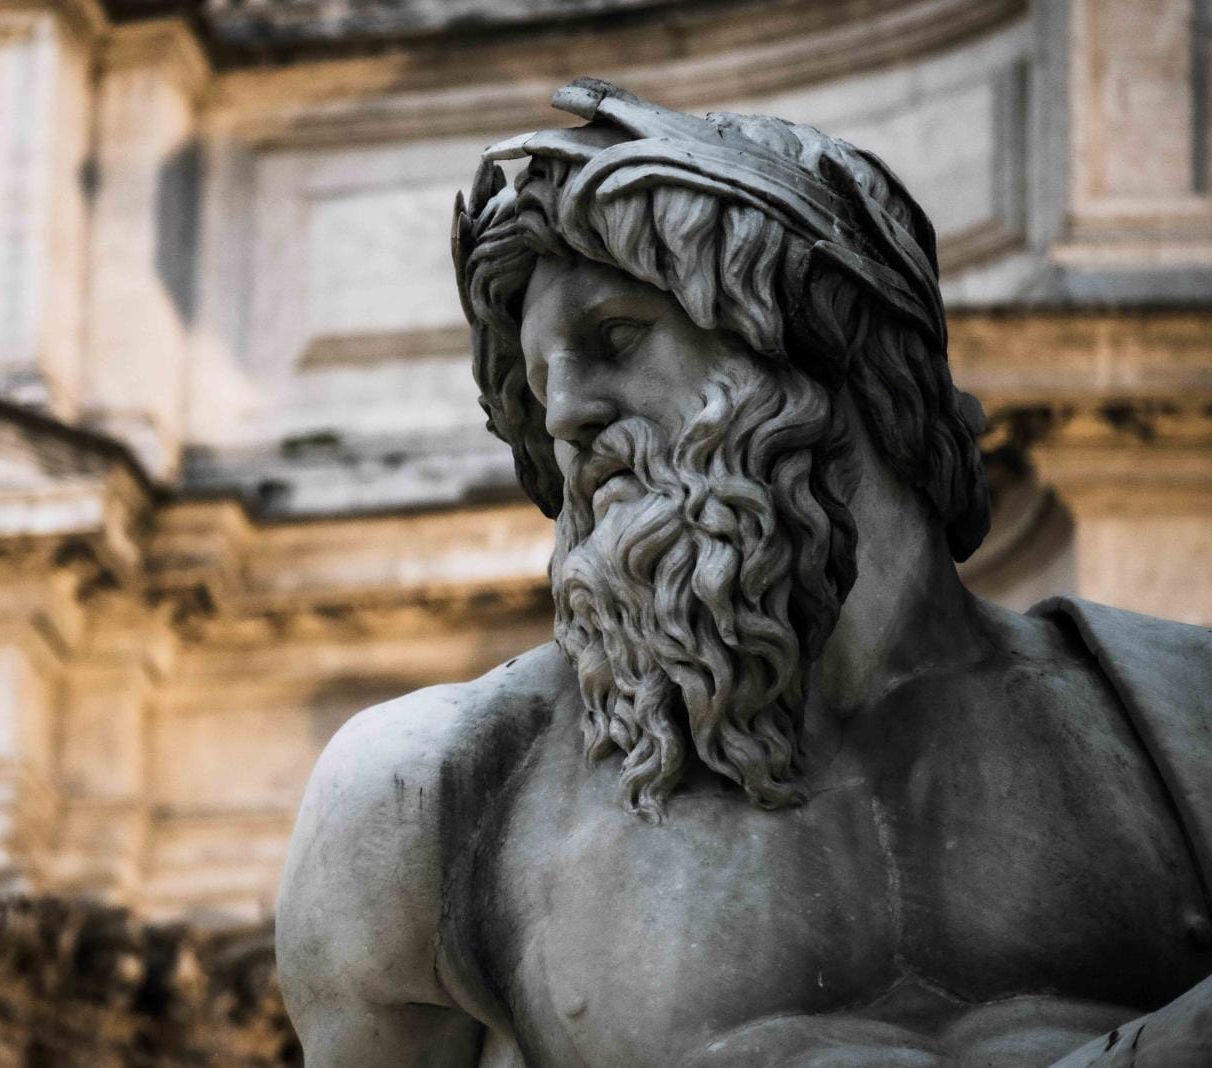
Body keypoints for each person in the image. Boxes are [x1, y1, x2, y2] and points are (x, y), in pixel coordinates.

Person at [276, 79, 1212, 1067]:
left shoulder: (1181, 711)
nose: (566, 416)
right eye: (545, 381)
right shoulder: (431, 795)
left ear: (814, 332)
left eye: (615, 337)